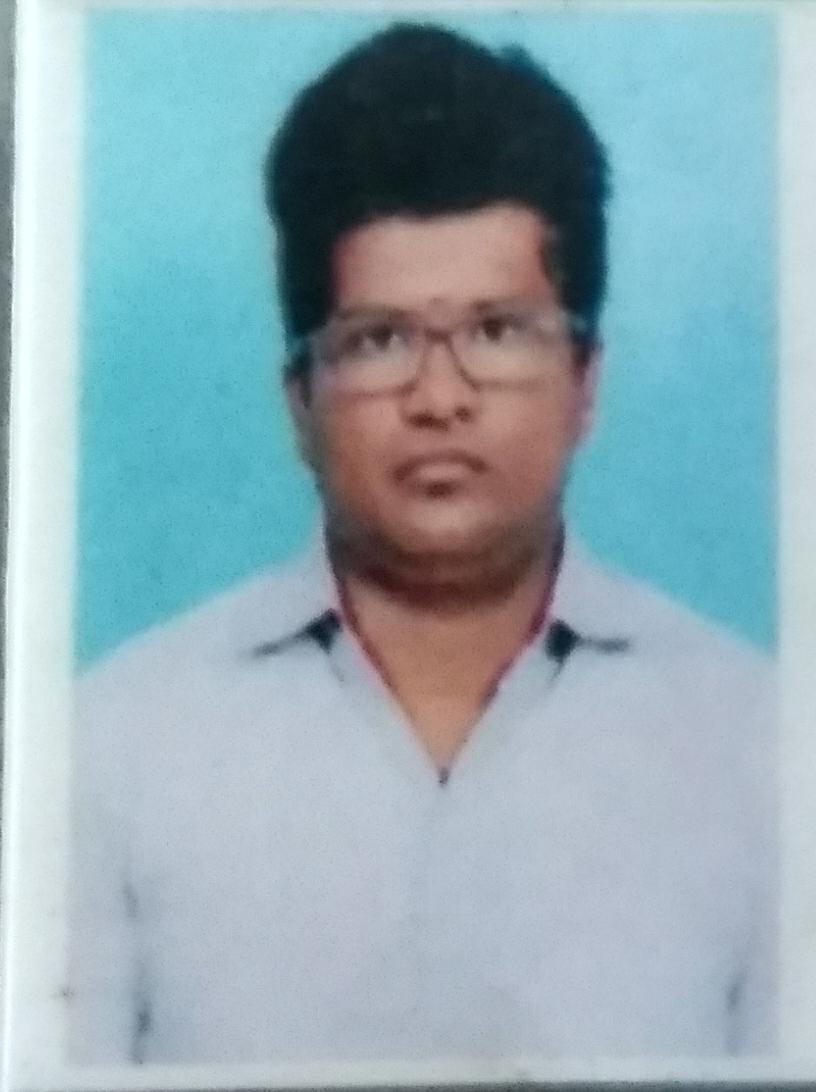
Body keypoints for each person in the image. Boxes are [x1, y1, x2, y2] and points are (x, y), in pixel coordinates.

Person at [68, 21, 776, 1065]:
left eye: (497, 331)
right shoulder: (108, 747)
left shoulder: (763, 743)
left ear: (586, 380)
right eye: (380, 340)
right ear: (299, 399)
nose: (440, 398)